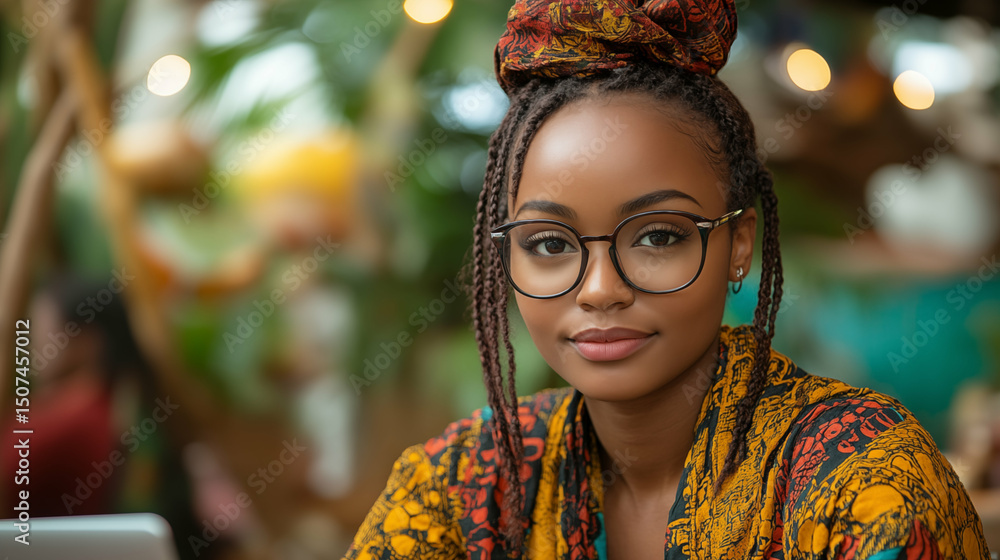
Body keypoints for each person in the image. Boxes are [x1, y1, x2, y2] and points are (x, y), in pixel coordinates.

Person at [341, 0, 990, 558]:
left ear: (740, 243)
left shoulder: (864, 487)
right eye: (548, 243)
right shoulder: (462, 486)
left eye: (657, 236)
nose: (599, 289)